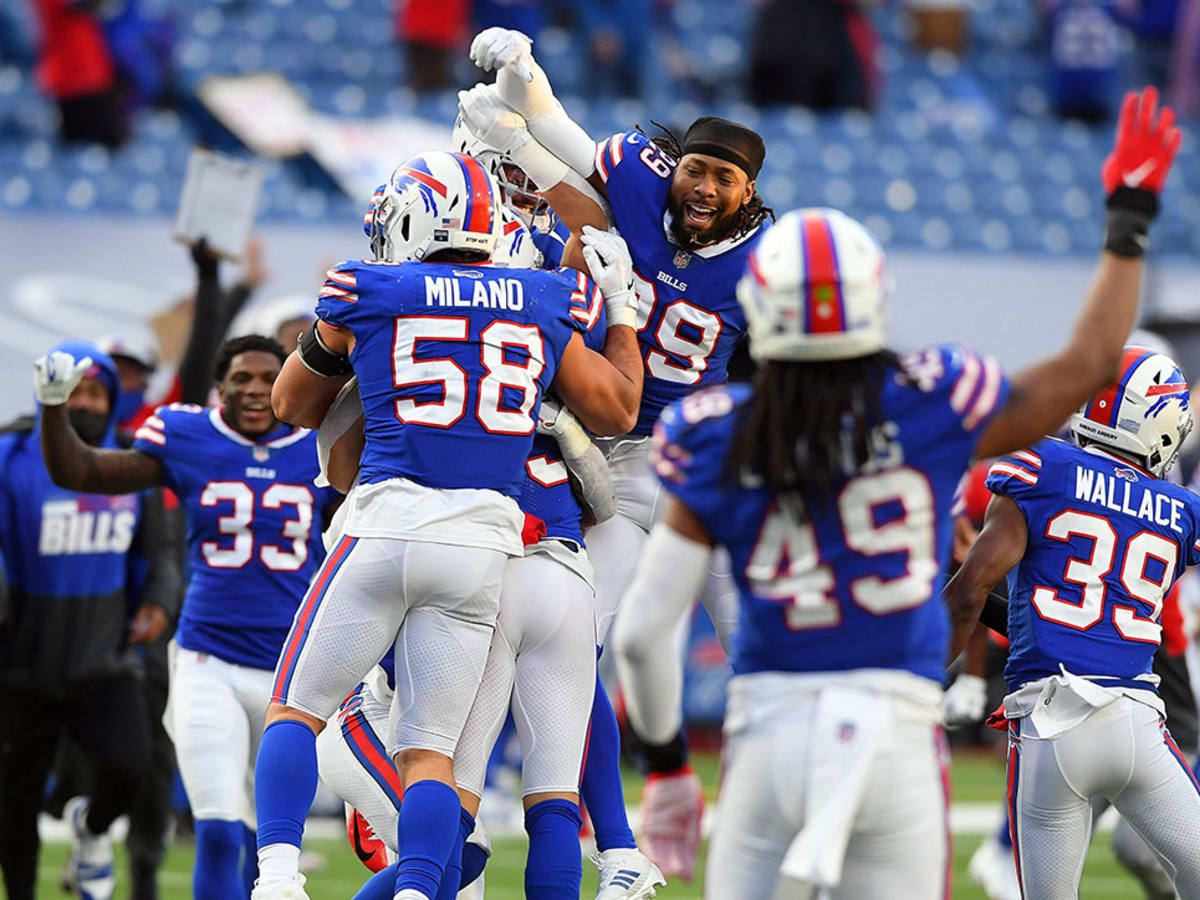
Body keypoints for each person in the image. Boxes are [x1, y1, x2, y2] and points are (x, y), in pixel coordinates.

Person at [610, 86, 1180, 898]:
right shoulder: (932, 395)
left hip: (773, 730)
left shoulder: (713, 427)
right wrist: (1127, 222)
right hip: (894, 733)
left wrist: (668, 768)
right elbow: (1087, 366)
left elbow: (639, 637)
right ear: (874, 297)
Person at [252, 149, 644, 900]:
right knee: (433, 756)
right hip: (484, 550)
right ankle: (418, 888)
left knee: (296, 709)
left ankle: (277, 876)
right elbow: (617, 409)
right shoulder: (540, 295)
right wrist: (619, 312)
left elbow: (291, 405)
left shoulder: (366, 285)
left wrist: (335, 344)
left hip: (387, 523)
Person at [460, 31, 773, 878]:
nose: (703, 186)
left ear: (748, 192)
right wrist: (522, 75)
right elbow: (554, 128)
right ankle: (577, 818)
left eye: (723, 177)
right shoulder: (631, 181)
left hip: (708, 464)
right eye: (695, 169)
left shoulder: (766, 264)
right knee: (575, 634)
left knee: (760, 649)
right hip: (611, 455)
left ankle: (754, 812)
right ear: (674, 167)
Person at [34, 334, 339, 900]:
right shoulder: (189, 437)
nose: (252, 388)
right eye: (239, 378)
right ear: (217, 388)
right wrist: (52, 410)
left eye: (266, 376)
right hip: (209, 661)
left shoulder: (318, 444)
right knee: (219, 832)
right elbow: (82, 473)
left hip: (293, 670)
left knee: (266, 845)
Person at [946, 345, 1200, 899]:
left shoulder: (1043, 467)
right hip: (1137, 726)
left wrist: (918, 677)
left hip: (1048, 728)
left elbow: (969, 594)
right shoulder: (1180, 510)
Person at [1, 341, 181, 900]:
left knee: (130, 768)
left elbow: (161, 555)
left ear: (113, 400)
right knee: (15, 801)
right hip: (19, 663)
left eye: (97, 391)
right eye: (74, 390)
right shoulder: (10, 453)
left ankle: (92, 829)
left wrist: (159, 601)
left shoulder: (129, 459)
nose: (85, 401)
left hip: (105, 657)